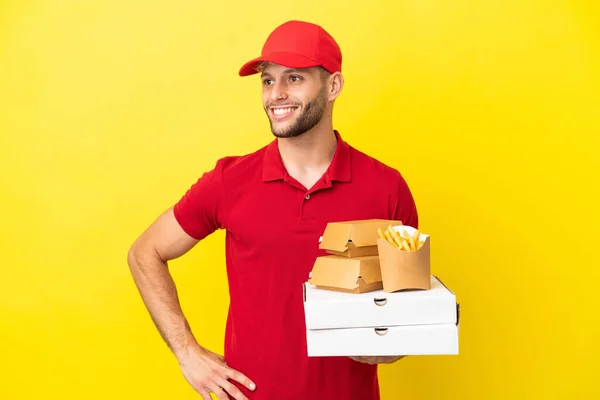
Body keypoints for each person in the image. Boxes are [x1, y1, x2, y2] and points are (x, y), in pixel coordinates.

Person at [127, 20, 419, 400]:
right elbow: (144, 252)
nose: (276, 94)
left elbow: (410, 305)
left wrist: (392, 346)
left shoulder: (387, 188)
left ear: (333, 86)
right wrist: (187, 353)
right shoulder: (228, 181)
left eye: (294, 79)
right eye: (268, 81)